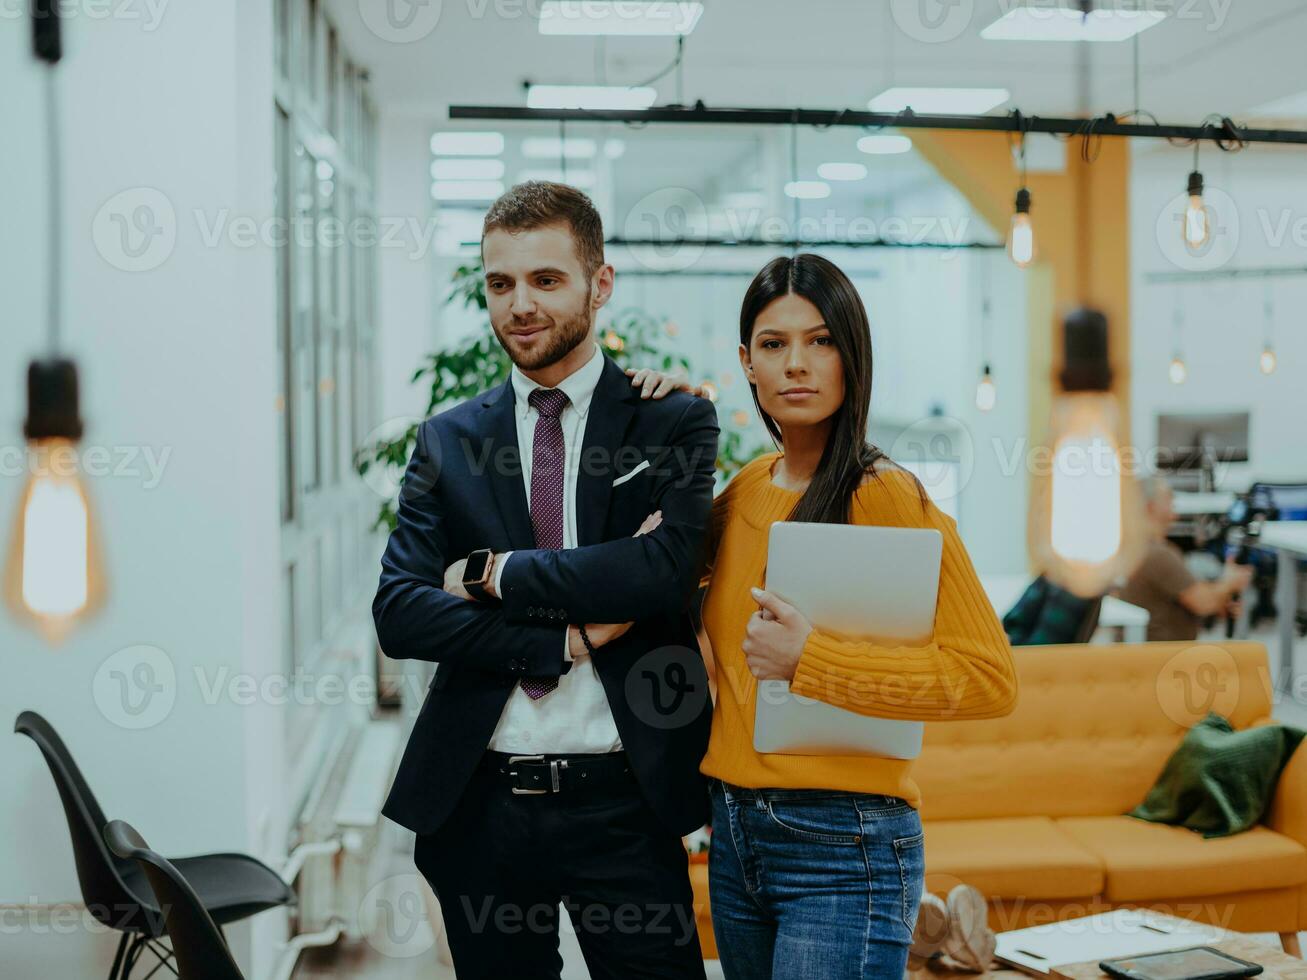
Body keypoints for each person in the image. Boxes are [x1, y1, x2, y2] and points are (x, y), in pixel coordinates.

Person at [633, 253, 1018, 979]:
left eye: (821, 341)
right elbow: (654, 578)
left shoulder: (884, 494)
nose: (797, 365)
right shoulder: (745, 489)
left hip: (845, 843)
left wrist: (811, 661)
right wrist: (665, 419)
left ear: (852, 355)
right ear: (746, 363)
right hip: (734, 830)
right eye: (774, 346)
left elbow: (987, 677)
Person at [372, 181, 720, 980]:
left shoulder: (671, 420)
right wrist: (560, 638)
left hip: (625, 804)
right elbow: (400, 614)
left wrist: (493, 575)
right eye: (500, 284)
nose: (519, 305)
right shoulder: (446, 440)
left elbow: (663, 574)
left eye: (545, 279)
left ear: (600, 284)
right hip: (479, 803)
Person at [1118, 477, 1252, 641]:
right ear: (1151, 506)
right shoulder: (1158, 555)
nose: (1173, 499)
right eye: (1167, 496)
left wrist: (1220, 599)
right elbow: (1203, 603)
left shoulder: (1138, 548)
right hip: (1163, 658)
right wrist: (1230, 582)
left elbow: (1191, 600)